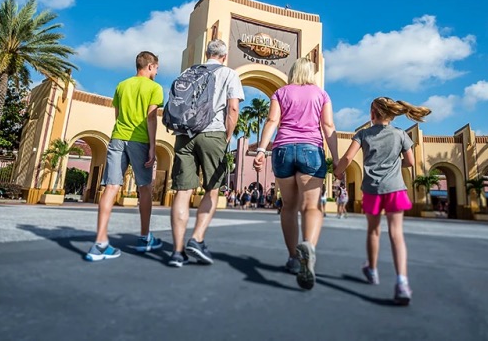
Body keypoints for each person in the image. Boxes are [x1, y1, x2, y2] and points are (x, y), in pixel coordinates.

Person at [334, 97, 430, 305]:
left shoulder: (363, 134)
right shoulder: (401, 135)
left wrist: (338, 172)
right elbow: (411, 162)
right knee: (397, 234)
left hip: (372, 189)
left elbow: (348, 158)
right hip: (395, 188)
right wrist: (394, 164)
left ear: (372, 114)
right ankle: (402, 282)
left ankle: (373, 270)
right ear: (392, 114)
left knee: (374, 231)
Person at [253, 57, 339, 290]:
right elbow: (328, 127)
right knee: (311, 206)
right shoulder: (321, 94)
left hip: (282, 150)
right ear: (311, 73)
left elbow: (272, 120)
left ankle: (293, 257)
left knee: (289, 206)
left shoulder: (280, 92)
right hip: (311, 150)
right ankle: (308, 247)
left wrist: (261, 149)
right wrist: (337, 158)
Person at [168, 39, 244, 267]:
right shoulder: (229, 73)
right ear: (224, 56)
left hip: (184, 135)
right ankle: (197, 238)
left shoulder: (189, 71)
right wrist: (227, 136)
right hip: (213, 134)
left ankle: (177, 252)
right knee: (212, 190)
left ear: (206, 53)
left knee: (182, 192)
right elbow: (232, 109)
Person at [85, 51, 163, 262]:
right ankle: (145, 237)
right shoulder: (155, 88)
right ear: (149, 66)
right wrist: (152, 147)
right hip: (140, 140)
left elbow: (118, 116)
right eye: (156, 68)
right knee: (144, 188)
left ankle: (99, 243)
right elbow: (151, 119)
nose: (156, 72)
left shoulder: (121, 85)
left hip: (117, 138)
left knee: (110, 187)